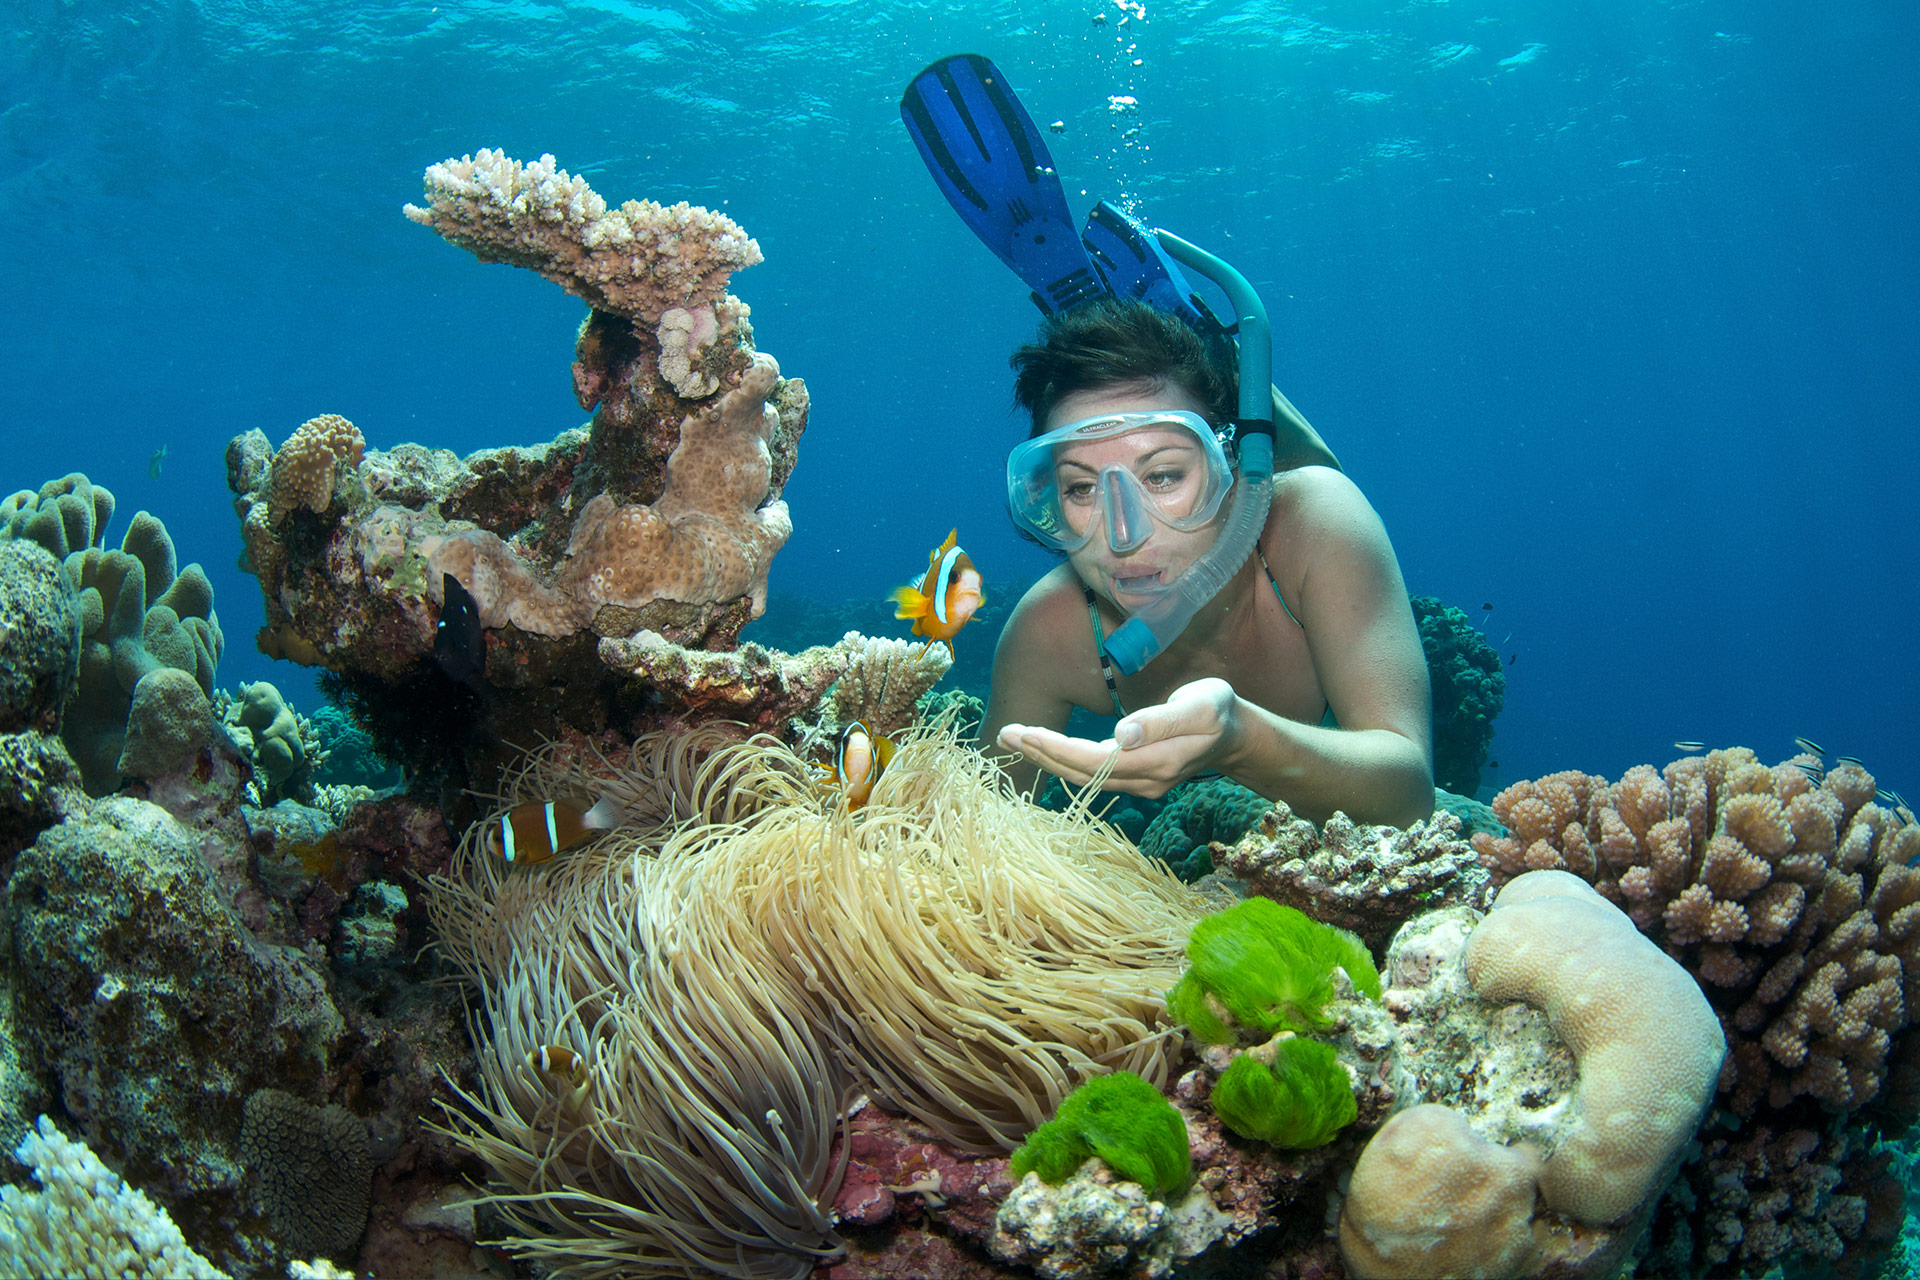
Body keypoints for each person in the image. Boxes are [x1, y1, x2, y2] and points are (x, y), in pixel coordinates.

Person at [980, 299, 1434, 827]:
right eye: (1081, 488)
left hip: (1274, 515)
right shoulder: (1050, 630)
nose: (1123, 536)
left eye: (1164, 476)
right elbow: (981, 828)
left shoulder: (1318, 526)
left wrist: (1241, 740)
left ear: (1230, 471)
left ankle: (1227, 357)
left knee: (1316, 469)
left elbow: (1410, 795)